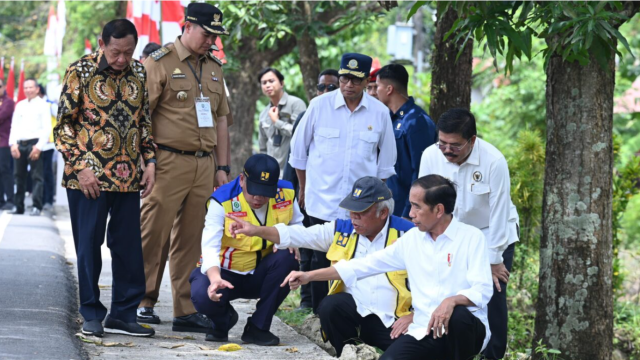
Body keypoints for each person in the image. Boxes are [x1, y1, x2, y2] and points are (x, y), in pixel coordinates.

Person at [282, 175, 493, 360]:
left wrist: (451, 301)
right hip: (423, 329)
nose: (410, 214)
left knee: (458, 316)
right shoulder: (412, 240)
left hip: (464, 331)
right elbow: (363, 266)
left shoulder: (471, 238)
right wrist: (308, 276)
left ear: (438, 210)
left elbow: (482, 290)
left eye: (417, 207)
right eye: (411, 205)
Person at [228, 176, 414, 356]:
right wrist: (255, 230)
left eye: (362, 211)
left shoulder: (408, 235)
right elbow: (299, 235)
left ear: (382, 213)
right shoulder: (342, 230)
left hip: (395, 320)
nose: (354, 217)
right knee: (330, 306)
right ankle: (347, 353)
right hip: (354, 316)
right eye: (351, 210)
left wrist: (414, 316)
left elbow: (433, 281)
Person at [54, 19, 156, 338]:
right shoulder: (80, 72)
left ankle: (123, 314)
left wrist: (150, 161)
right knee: (89, 246)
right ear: (102, 43)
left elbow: (144, 123)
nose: (122, 59)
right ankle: (91, 313)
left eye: (128, 52)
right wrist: (80, 167)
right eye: (115, 52)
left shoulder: (139, 73)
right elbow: (63, 126)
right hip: (88, 178)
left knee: (128, 248)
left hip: (127, 176)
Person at [137, 3, 231, 333]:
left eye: (215, 37)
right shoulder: (159, 62)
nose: (211, 42)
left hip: (204, 165)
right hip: (166, 161)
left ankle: (184, 309)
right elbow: (141, 118)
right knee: (153, 234)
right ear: (187, 26)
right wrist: (146, 161)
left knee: (193, 239)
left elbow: (221, 120)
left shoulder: (215, 67)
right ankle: (143, 301)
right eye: (207, 35)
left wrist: (223, 166)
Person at [289, 53, 397, 312]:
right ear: (338, 77)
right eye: (344, 78)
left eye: (356, 79)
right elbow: (298, 154)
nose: (349, 84)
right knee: (318, 260)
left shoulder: (380, 113)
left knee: (355, 258)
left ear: (365, 81)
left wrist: (373, 201)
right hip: (321, 201)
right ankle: (318, 316)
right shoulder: (318, 106)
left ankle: (349, 316)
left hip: (360, 207)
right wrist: (303, 188)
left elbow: (385, 164)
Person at [419, 108, 519, 360]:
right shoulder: (431, 155)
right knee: (447, 290)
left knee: (492, 295)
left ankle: (492, 355)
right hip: (450, 232)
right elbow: (422, 199)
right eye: (442, 143)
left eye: (455, 145)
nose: (447, 150)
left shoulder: (493, 161)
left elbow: (499, 211)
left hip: (490, 233)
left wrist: (494, 260)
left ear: (472, 140)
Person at [190, 154, 301, 346]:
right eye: (254, 191)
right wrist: (215, 279)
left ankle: (258, 328)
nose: (259, 198)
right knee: (201, 294)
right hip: (226, 273)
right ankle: (222, 321)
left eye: (266, 192)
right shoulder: (222, 199)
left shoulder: (287, 193)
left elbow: (297, 223)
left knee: (289, 257)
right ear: (242, 180)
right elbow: (210, 245)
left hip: (262, 273)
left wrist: (293, 239)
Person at [281, 68, 339, 311]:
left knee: (325, 253)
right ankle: (307, 302)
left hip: (333, 196)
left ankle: (324, 305)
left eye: (331, 87)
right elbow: (294, 158)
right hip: (307, 194)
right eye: (321, 87)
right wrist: (290, 191)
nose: (325, 92)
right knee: (306, 249)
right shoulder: (308, 114)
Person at [376, 64, 437, 219]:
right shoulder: (388, 118)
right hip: (389, 205)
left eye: (377, 86)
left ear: (389, 89)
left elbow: (422, 171)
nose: (375, 92)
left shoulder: (417, 121)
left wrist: (410, 211)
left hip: (406, 210)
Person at [8, 79, 51, 216]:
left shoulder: (44, 105)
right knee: (18, 177)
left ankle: (37, 206)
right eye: (25, 87)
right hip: (20, 144)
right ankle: (18, 206)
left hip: (35, 144)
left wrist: (38, 147)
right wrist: (13, 144)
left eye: (30, 87)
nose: (28, 90)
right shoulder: (20, 105)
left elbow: (47, 128)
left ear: (37, 89)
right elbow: (14, 126)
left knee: (37, 177)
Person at [257, 67, 306, 178]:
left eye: (271, 81)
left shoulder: (296, 104)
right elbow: (263, 148)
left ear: (282, 83)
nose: (267, 85)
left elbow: (300, 134)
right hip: (272, 174)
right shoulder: (264, 113)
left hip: (294, 172)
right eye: (264, 83)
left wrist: (276, 121)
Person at [37, 84, 57, 210]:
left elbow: (61, 119)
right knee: (37, 174)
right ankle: (39, 200)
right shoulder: (32, 105)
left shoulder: (50, 104)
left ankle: (48, 200)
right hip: (36, 144)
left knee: (47, 172)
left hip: (48, 144)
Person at [0, 78, 15, 210]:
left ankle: (10, 199)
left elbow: (1, 116)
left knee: (5, 171)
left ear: (4, 87)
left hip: (3, 142)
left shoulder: (8, 102)